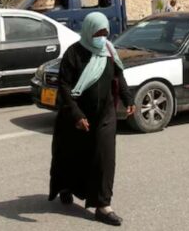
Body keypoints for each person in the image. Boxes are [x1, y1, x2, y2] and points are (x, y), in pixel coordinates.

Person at [49, 13, 134, 226]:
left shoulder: (108, 51)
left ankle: (103, 206)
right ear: (88, 31)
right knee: (73, 155)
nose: (102, 36)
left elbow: (119, 75)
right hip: (77, 114)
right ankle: (66, 186)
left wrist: (128, 98)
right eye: (98, 33)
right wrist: (76, 114)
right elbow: (65, 87)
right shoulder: (74, 54)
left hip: (105, 115)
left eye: (105, 32)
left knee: (105, 158)